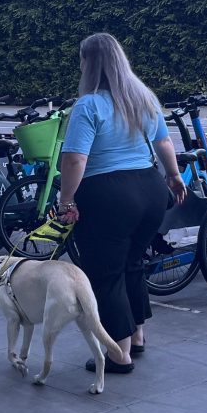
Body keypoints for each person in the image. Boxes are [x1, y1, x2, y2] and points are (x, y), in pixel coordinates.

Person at [57, 33, 186, 374]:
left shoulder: (88, 105)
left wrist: (66, 198)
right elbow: (164, 143)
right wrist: (174, 178)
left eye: (82, 60)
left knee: (106, 272)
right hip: (150, 189)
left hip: (108, 196)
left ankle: (118, 353)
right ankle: (137, 334)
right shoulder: (143, 97)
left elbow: (74, 160)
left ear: (90, 64)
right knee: (132, 263)